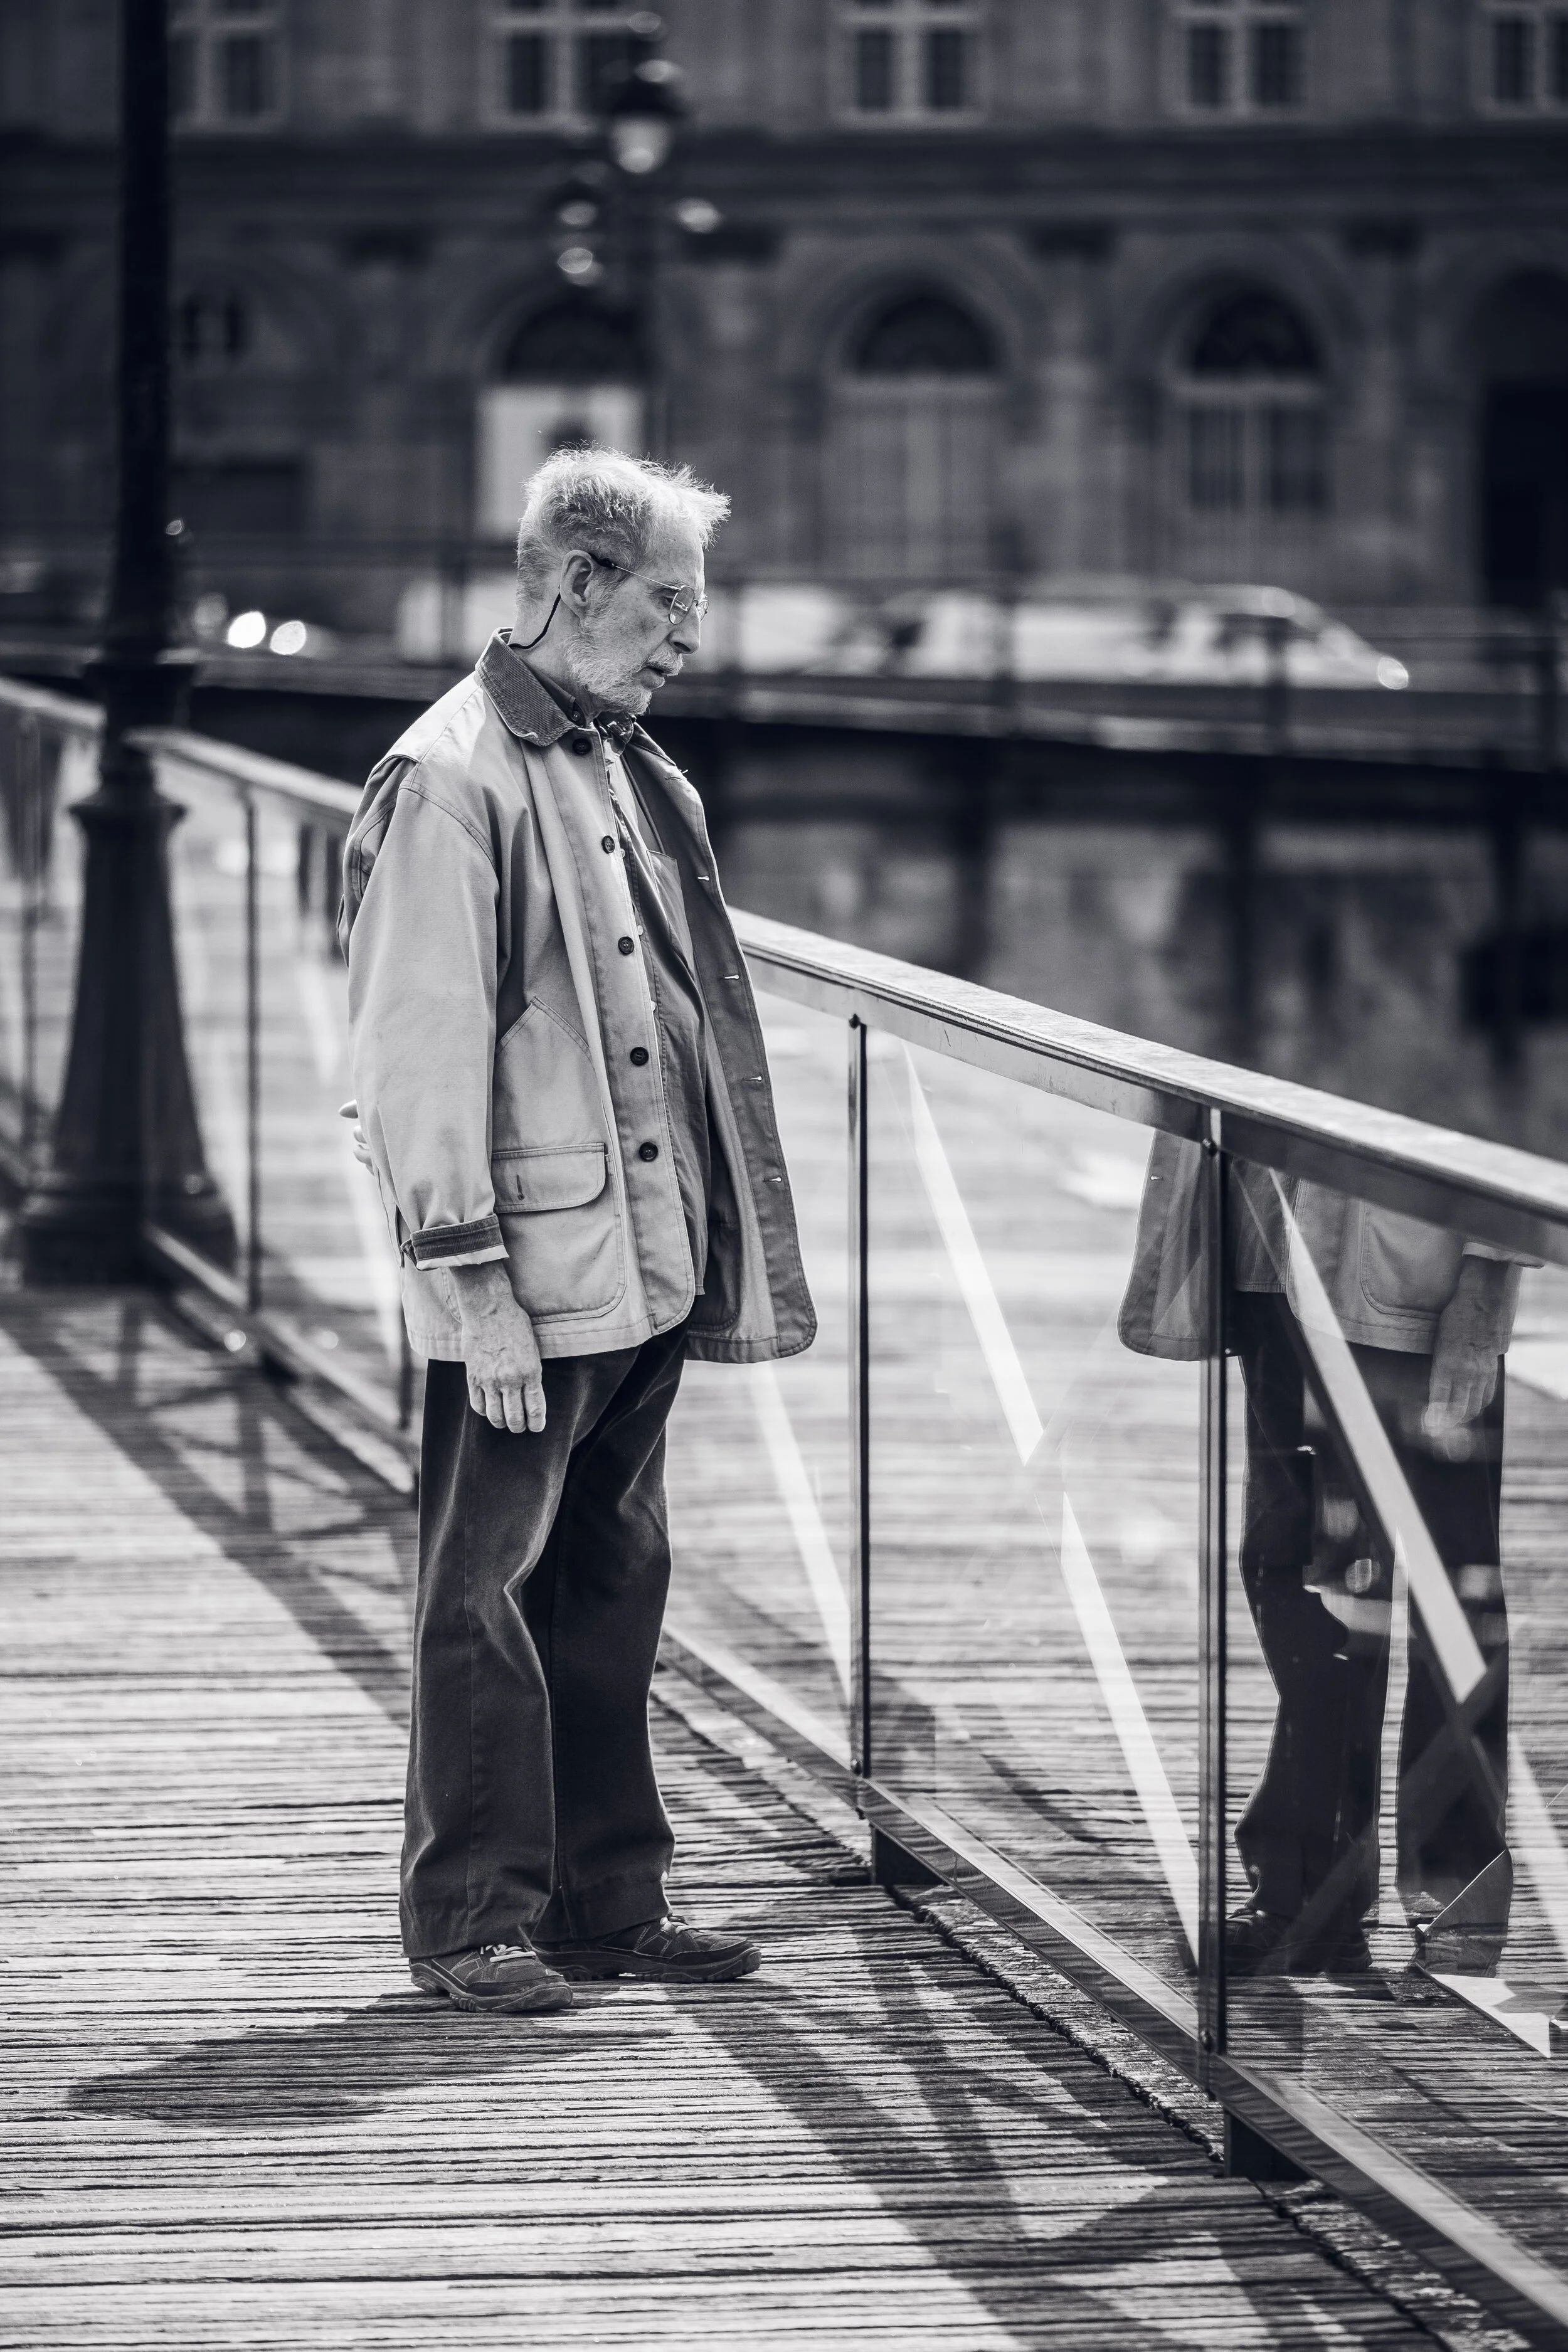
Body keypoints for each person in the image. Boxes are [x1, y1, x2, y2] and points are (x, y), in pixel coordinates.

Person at [341, 447, 815, 2016]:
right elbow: (412, 1057)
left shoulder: (620, 759)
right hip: (529, 1275)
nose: (691, 632)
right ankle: (472, 1917)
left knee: (609, 1584)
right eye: (669, 599)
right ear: (574, 583)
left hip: (640, 1263)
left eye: (695, 603)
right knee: (482, 1595)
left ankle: (611, 1901)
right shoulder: (449, 776)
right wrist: (468, 1285)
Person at [1121, 1144, 1522, 1978]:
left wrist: (1487, 1285)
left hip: (1409, 1280)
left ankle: (1457, 1905)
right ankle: (1308, 1892)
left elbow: (1516, 1092)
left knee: (1448, 1592)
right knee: (1296, 1572)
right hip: (1269, 1253)